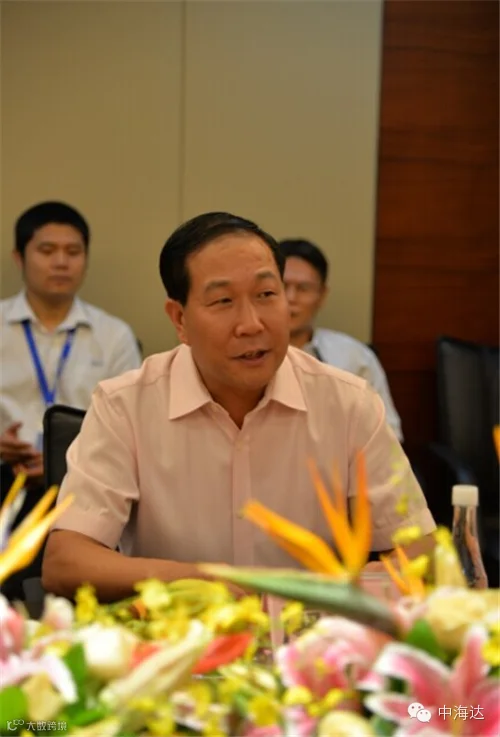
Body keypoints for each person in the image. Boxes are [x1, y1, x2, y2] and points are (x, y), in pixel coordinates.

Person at [43, 212, 435, 603]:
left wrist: (359, 583)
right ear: (180, 319)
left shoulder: (349, 403)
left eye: (266, 295)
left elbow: (421, 554)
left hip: (312, 635)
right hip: (181, 633)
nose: (251, 324)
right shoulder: (124, 406)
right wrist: (206, 580)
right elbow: (66, 562)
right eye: (223, 301)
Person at [0, 201, 142, 598]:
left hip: (84, 485)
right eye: (47, 251)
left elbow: (134, 423)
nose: (61, 262)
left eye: (73, 251)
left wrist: (62, 460)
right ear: (19, 257)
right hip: (5, 478)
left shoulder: (113, 336)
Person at [280, 238, 403, 440]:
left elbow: (388, 436)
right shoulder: (241, 355)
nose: (291, 298)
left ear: (322, 296)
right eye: (282, 286)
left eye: (303, 288)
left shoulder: (355, 358)